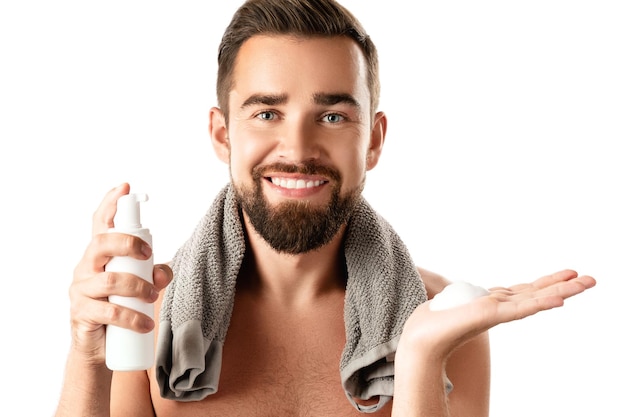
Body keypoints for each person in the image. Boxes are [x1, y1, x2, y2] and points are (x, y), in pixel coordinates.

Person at [55, 1, 596, 416]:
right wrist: (86, 354)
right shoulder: (150, 323)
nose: (297, 149)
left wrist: (422, 359)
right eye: (266, 113)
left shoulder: (446, 323)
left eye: (333, 116)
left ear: (374, 140)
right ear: (222, 135)